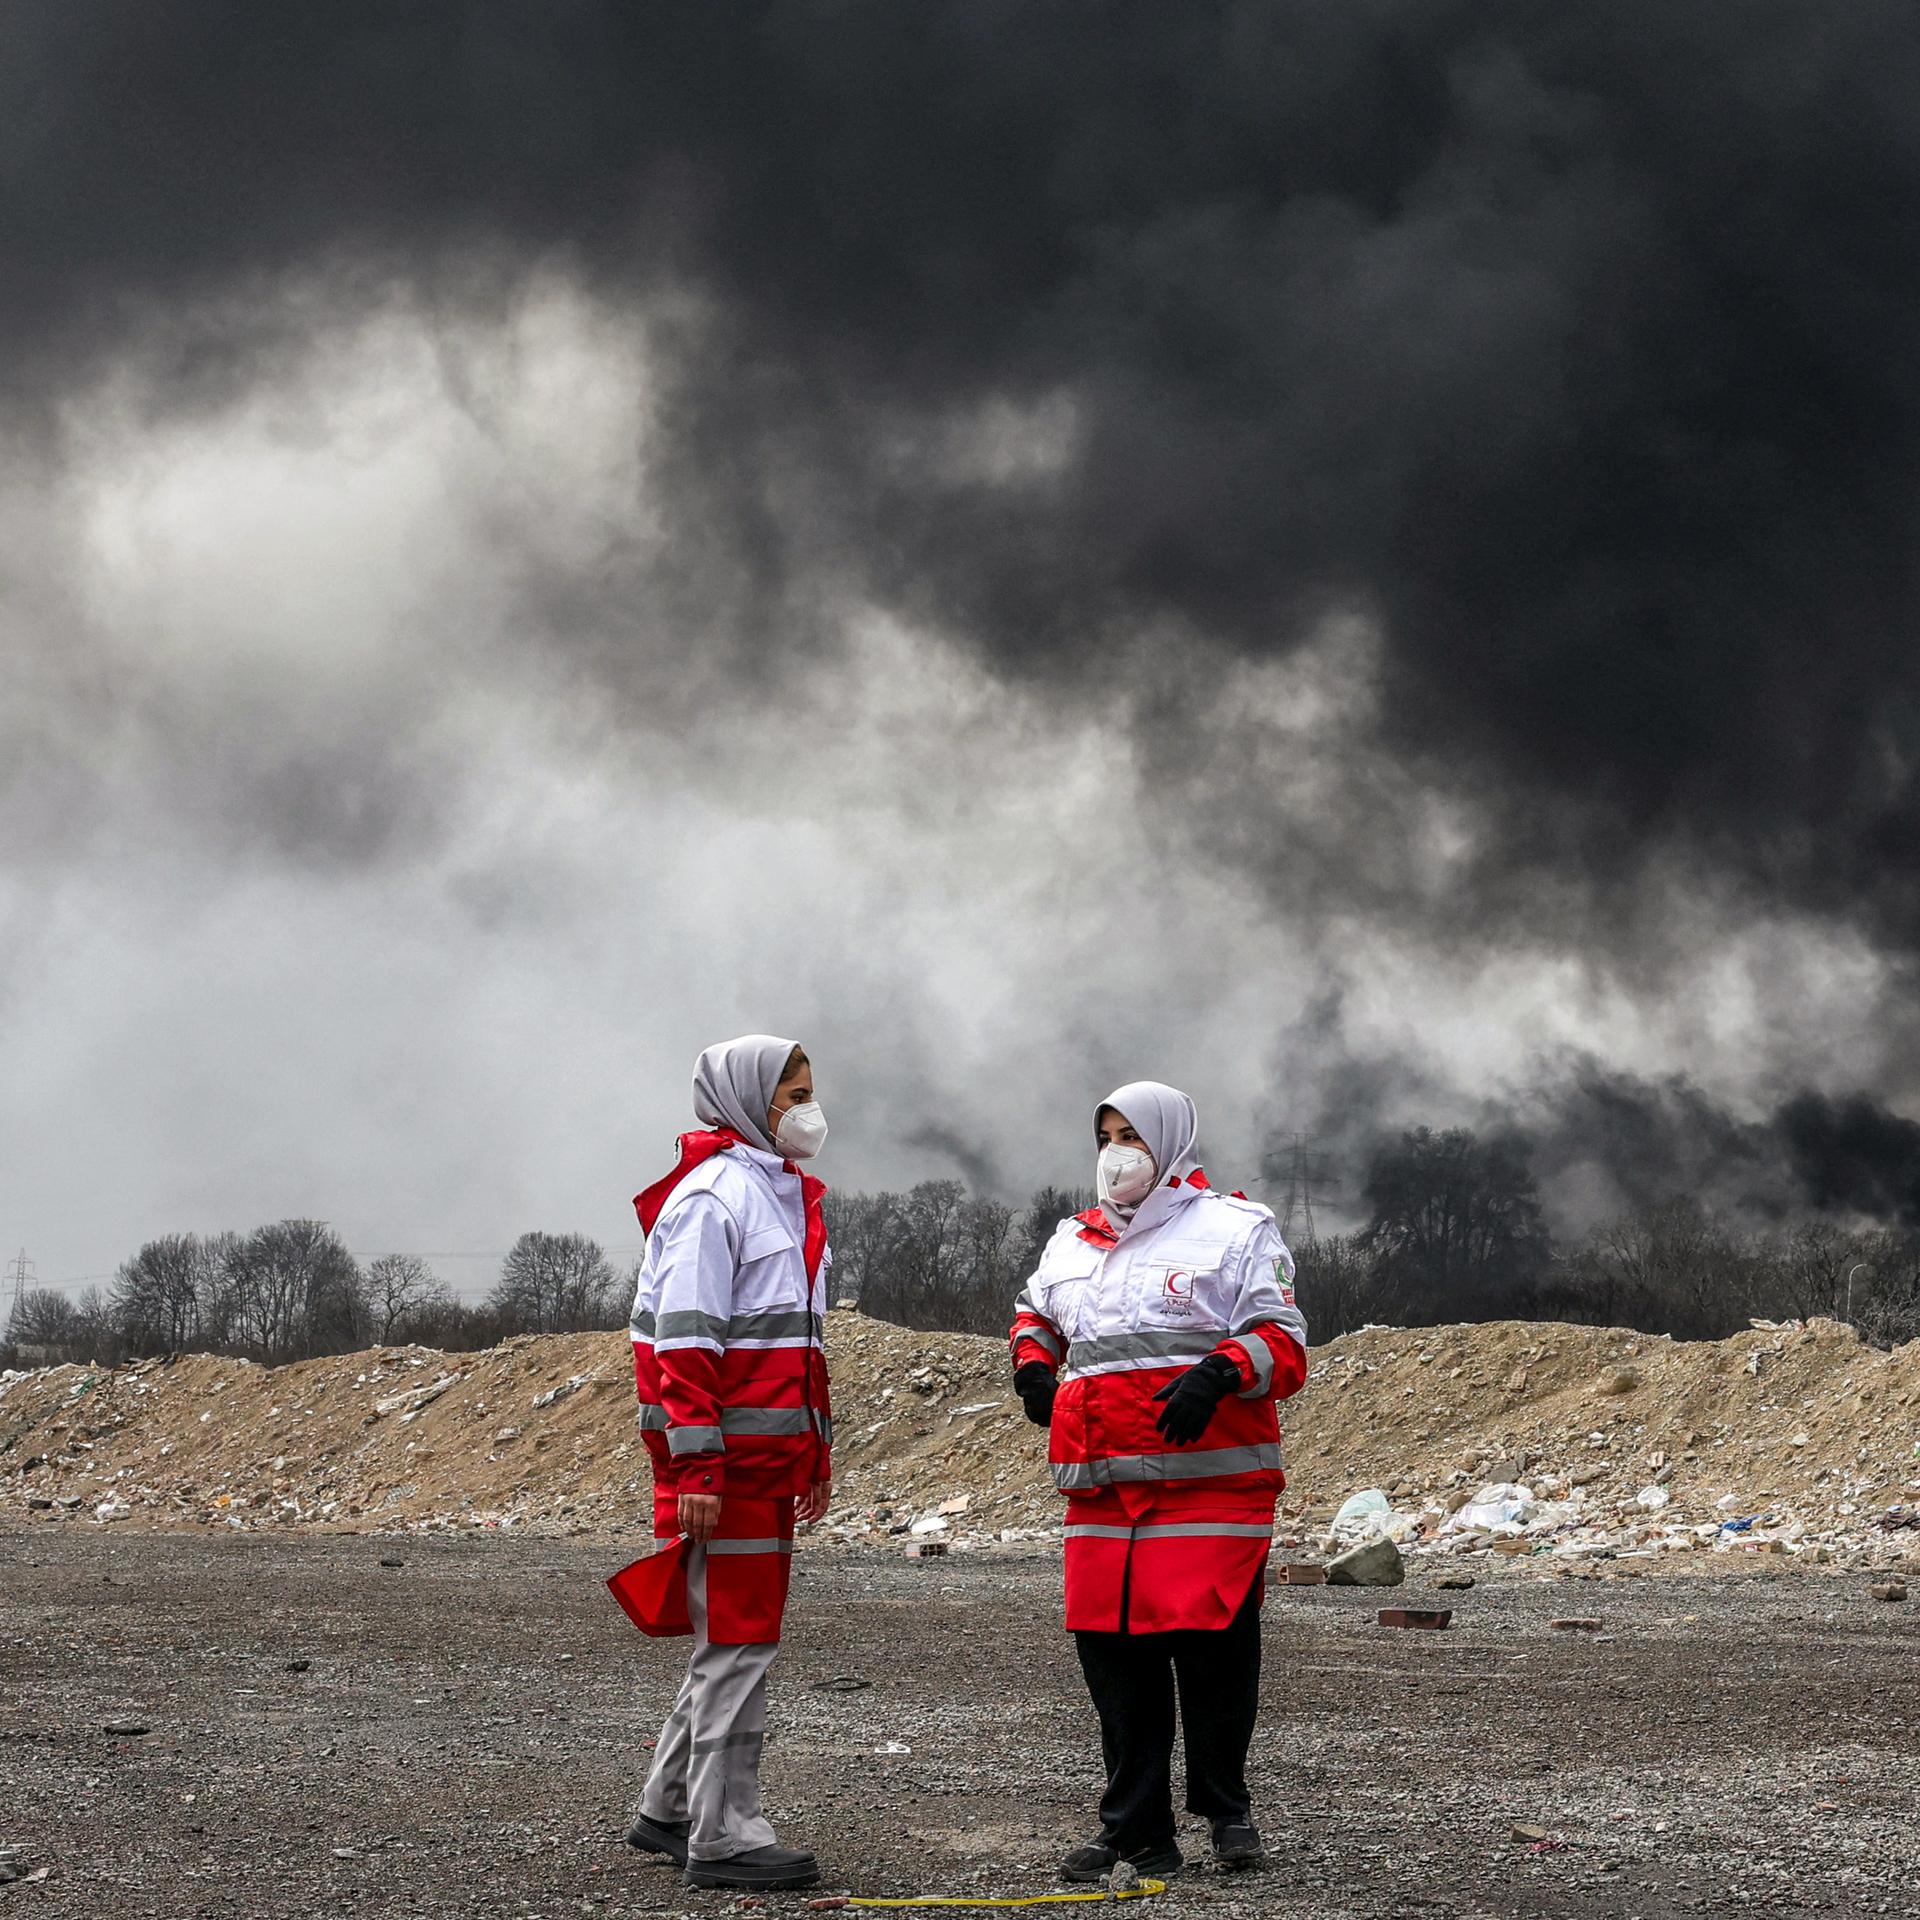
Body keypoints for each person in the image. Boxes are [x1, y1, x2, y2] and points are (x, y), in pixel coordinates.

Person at [1008, 1081, 1308, 1882]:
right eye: (1106, 1134)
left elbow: (1282, 1336)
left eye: (1132, 1134)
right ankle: (1136, 1830)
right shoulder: (1072, 1238)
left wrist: (1221, 1371)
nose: (1117, 1151)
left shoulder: (1237, 1229)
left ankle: (1226, 1810)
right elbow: (1036, 1312)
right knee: (1113, 1661)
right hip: (1104, 1487)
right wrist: (1033, 1363)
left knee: (1211, 1652)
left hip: (1206, 1485)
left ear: (1170, 1140)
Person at [622, 1034, 834, 1892]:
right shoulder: (717, 1198)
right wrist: (697, 1468)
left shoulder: (772, 1194)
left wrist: (812, 1457)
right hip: (730, 1468)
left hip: (762, 1464)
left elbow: (797, 1350)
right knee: (740, 1644)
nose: (809, 1110)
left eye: (811, 1090)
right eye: (794, 1093)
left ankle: (669, 1808)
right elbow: (685, 1341)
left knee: (730, 1640)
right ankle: (724, 1834)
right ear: (749, 1099)